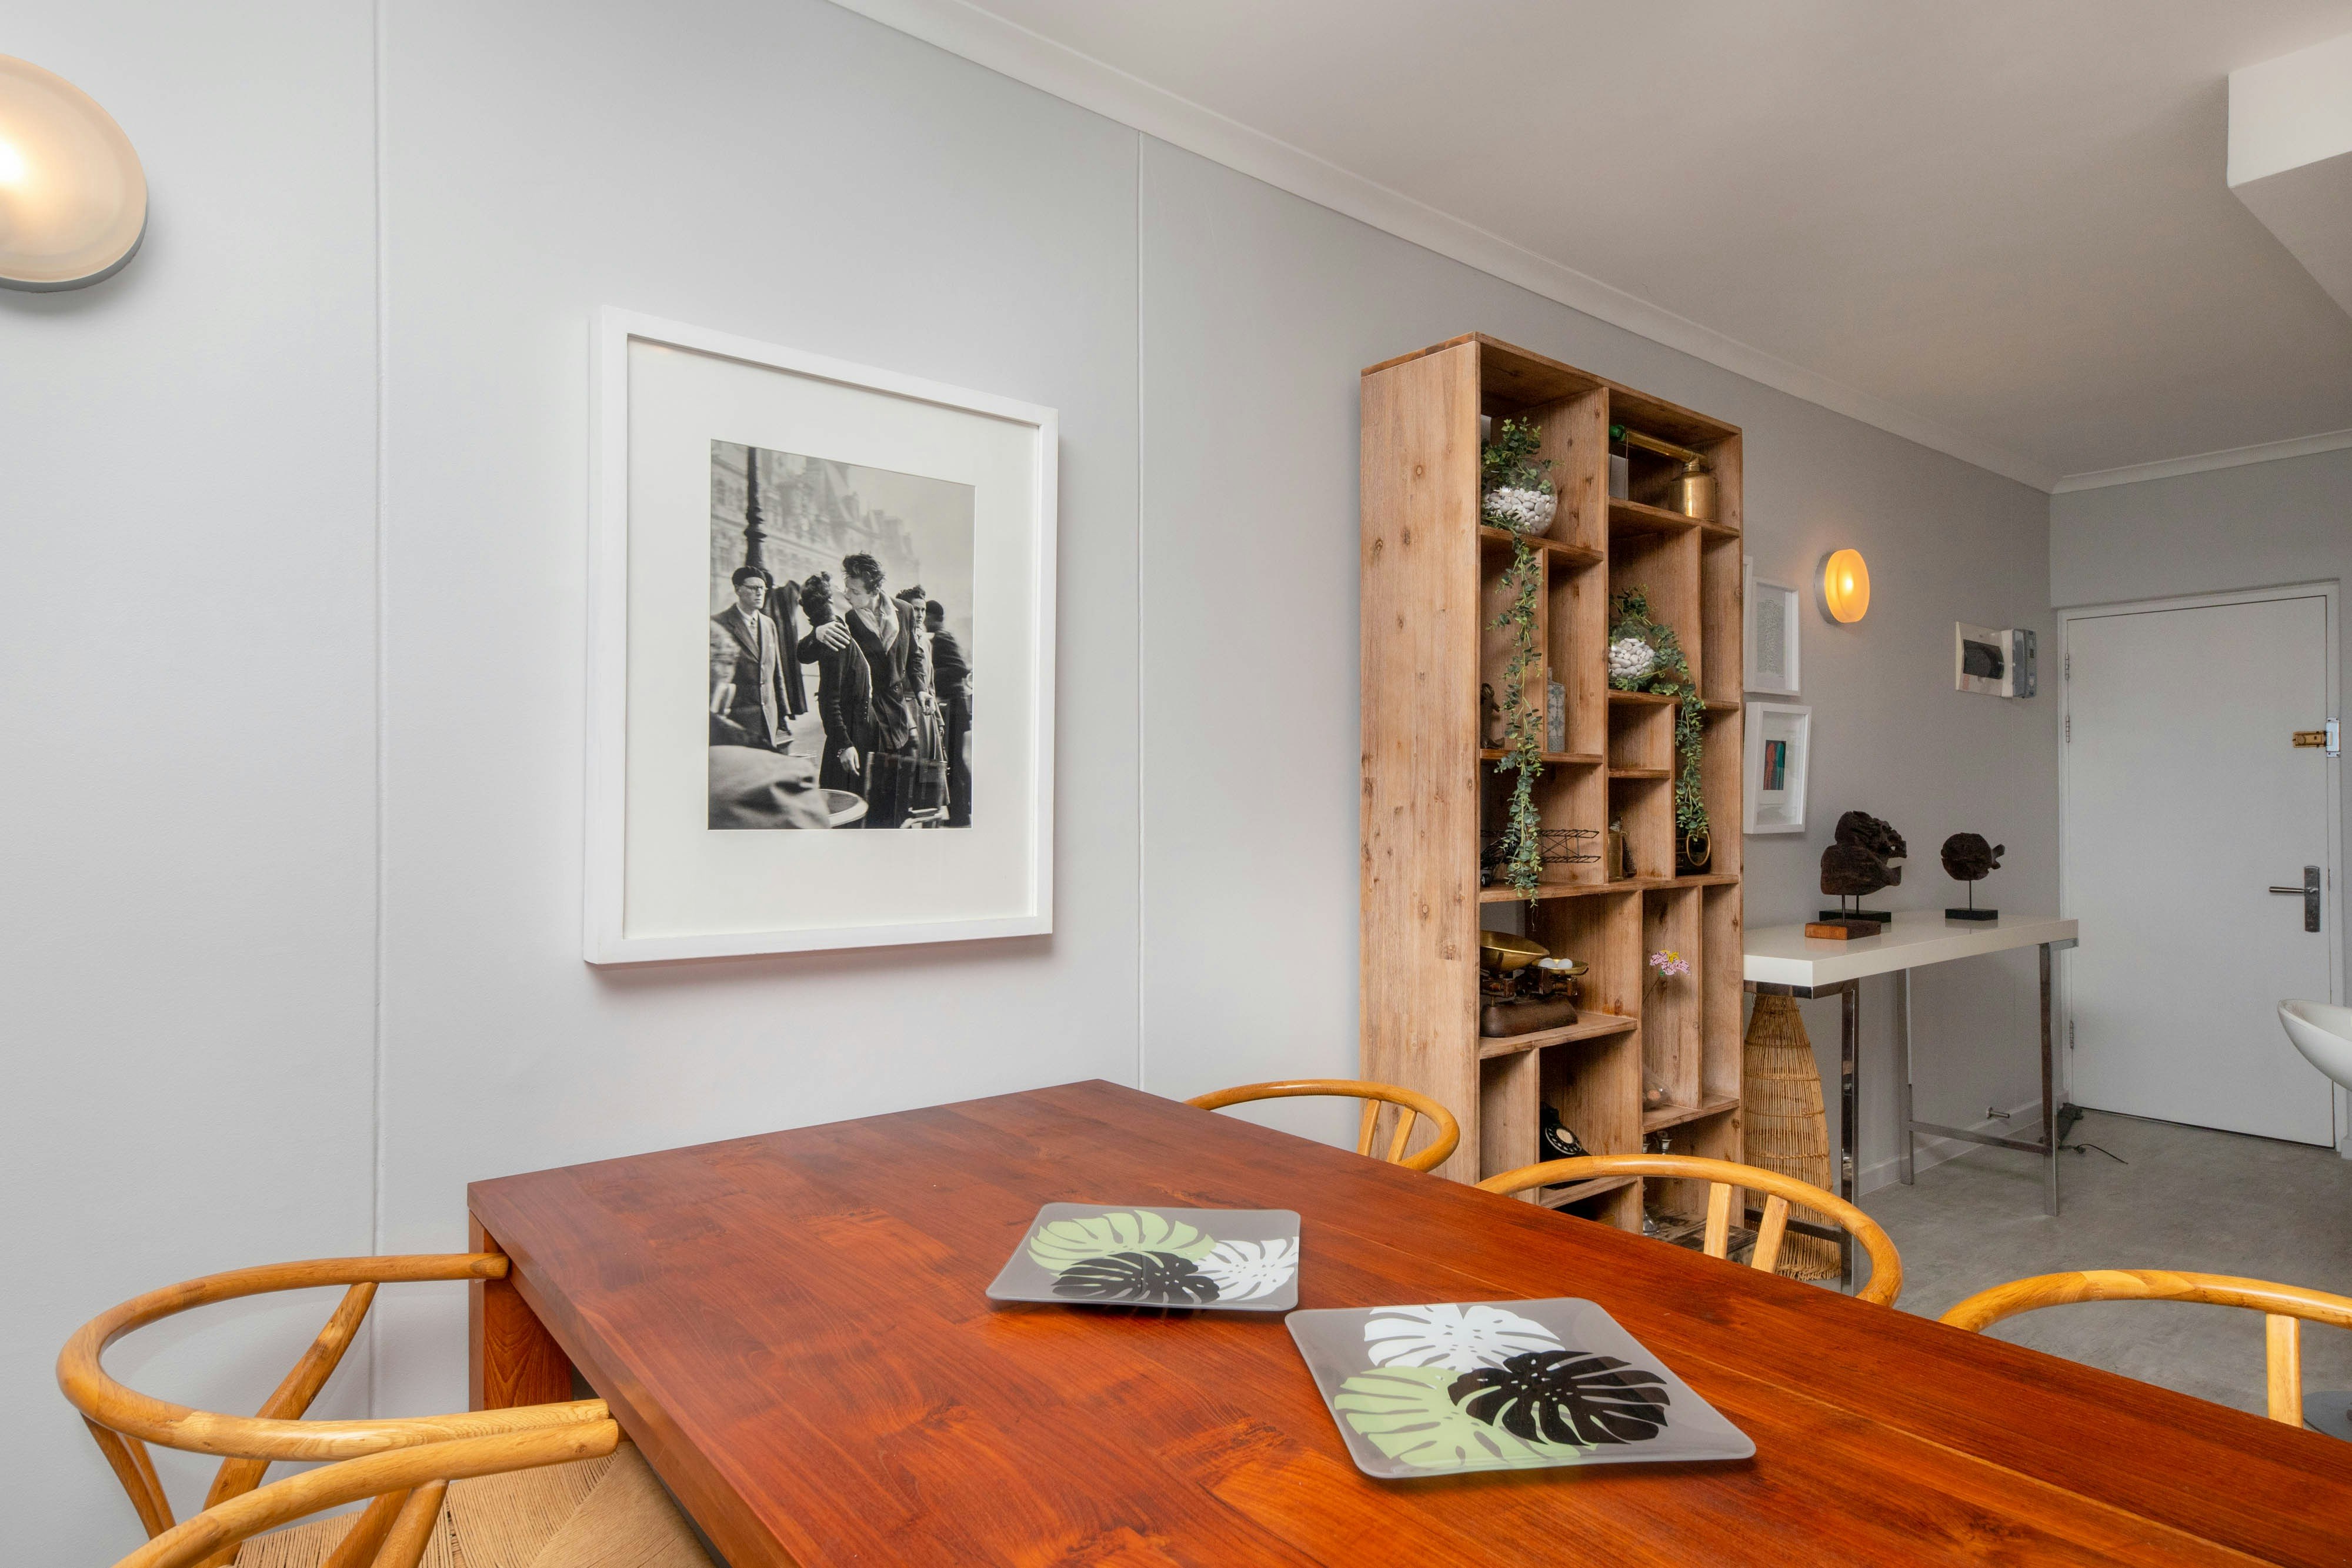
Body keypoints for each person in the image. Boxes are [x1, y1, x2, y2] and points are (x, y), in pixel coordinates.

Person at [813, 553, 928, 826]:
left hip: (895, 723)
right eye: (847, 588)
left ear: (874, 590)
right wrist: (818, 632)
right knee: (853, 805)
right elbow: (818, 672)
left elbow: (914, 655)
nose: (848, 595)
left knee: (890, 804)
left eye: (855, 591)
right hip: (858, 723)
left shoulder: (904, 611)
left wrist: (921, 689)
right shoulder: (844, 619)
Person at [797, 573, 875, 798]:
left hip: (855, 735)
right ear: (830, 600)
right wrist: (844, 746)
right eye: (839, 589)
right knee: (847, 804)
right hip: (850, 740)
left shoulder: (839, 628)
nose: (846, 592)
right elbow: (828, 700)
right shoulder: (835, 636)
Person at [710, 566, 790, 750]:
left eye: (762, 588)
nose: (759, 593)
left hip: (769, 717)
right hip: (739, 720)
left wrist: (783, 713)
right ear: (738, 589)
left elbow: (776, 672)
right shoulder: (719, 623)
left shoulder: (769, 624)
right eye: (753, 588)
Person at [926, 599, 973, 828]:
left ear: (933, 618)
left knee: (953, 762)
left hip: (953, 707)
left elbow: (960, 668)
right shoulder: (942, 637)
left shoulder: (942, 637)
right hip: (955, 707)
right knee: (957, 762)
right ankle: (966, 807)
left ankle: (959, 816)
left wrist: (931, 675)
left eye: (925, 615)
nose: (923, 621)